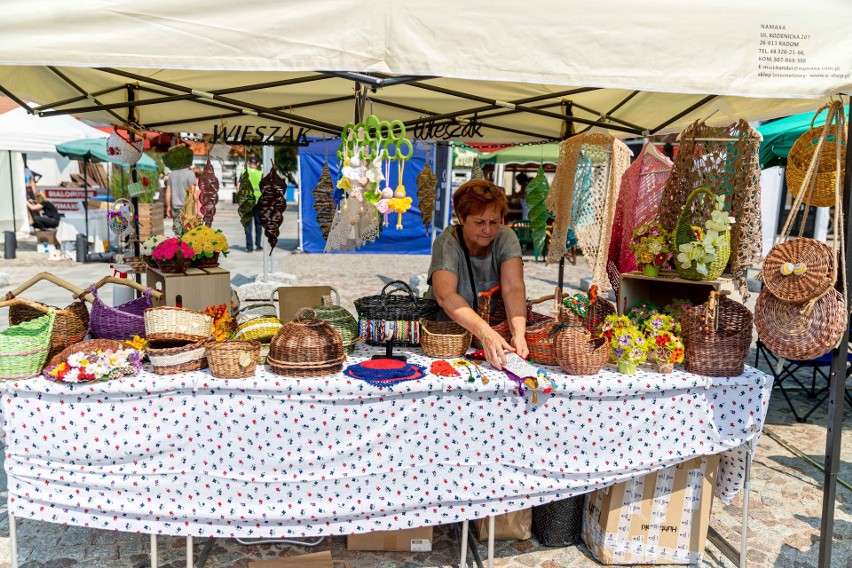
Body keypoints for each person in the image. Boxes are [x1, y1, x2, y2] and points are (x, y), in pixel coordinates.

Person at [425, 179, 528, 370]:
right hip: (448, 339)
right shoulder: (446, 244)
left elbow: (513, 287)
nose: (488, 230)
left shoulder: (506, 238)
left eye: (494, 222)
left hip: (488, 335)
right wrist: (485, 332)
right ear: (461, 219)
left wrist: (518, 334)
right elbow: (445, 295)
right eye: (479, 222)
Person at [243, 156, 263, 252]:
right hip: (258, 202)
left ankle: (249, 247)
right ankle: (258, 245)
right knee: (258, 224)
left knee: (248, 225)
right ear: (258, 164)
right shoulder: (261, 173)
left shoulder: (244, 172)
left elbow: (239, 186)